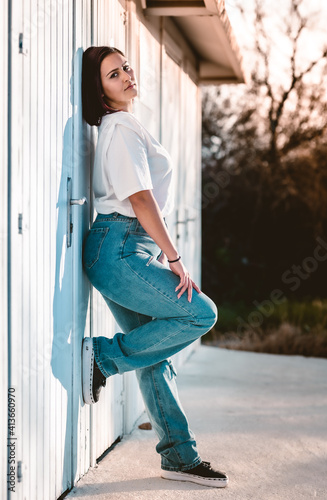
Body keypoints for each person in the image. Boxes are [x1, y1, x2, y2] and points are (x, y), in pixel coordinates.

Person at [81, 46, 228, 488]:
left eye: (125, 67)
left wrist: (158, 252)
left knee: (155, 354)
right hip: (120, 248)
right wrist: (176, 258)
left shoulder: (122, 124)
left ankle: (180, 456)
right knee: (201, 313)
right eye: (113, 74)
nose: (126, 75)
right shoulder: (121, 126)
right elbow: (141, 200)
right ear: (100, 91)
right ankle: (102, 357)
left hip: (126, 248)